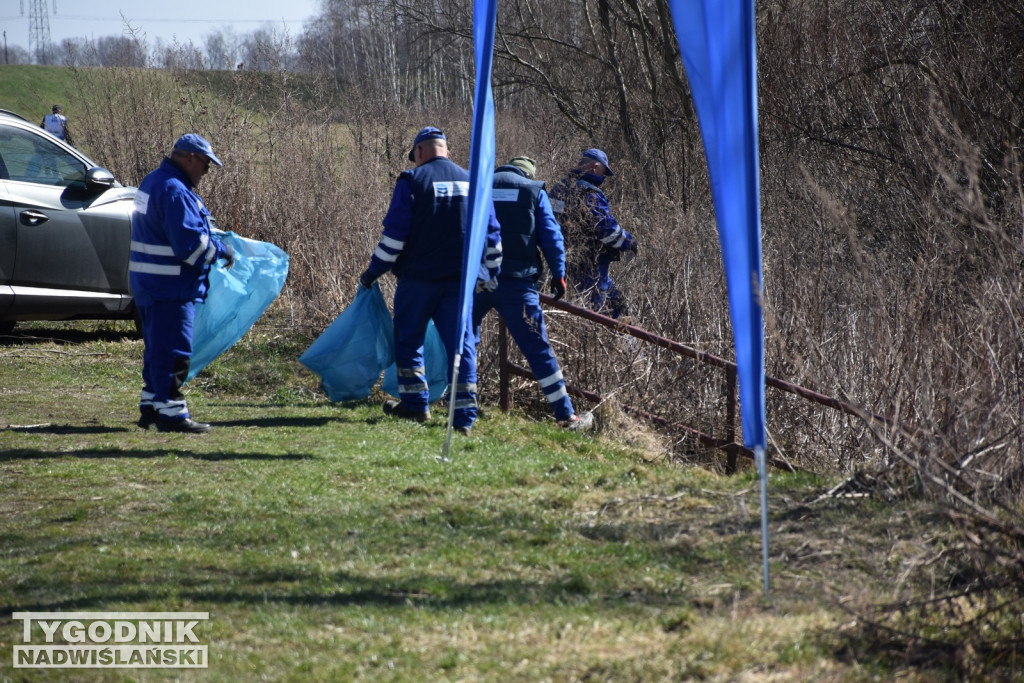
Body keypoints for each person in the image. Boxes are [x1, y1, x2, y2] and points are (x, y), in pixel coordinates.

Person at [359, 126, 502, 436]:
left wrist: (373, 272)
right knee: (461, 347)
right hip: (460, 284)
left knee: (410, 340)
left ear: (420, 152)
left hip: (418, 281)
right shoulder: (474, 182)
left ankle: (416, 405)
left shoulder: (412, 181)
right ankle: (463, 418)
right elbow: (492, 235)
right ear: (447, 150)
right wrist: (490, 274)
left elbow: (394, 238)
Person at [474, 156, 593, 431]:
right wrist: (558, 274)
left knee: (463, 339)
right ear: (527, 174)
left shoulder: (479, 186)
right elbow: (551, 236)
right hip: (518, 283)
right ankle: (565, 416)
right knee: (538, 349)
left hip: (477, 281)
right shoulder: (533, 191)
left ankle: (460, 402)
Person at [129, 134, 234, 433]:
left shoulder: (152, 181)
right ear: (190, 158)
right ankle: (172, 413)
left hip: (149, 284)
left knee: (156, 350)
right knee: (175, 351)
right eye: (205, 165)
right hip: (170, 287)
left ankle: (151, 405)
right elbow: (190, 246)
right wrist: (223, 250)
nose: (206, 172)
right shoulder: (175, 190)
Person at [549, 148, 637, 318]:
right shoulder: (590, 193)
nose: (604, 177)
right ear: (595, 167)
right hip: (591, 265)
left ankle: (629, 342)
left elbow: (550, 221)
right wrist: (629, 242)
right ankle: (621, 342)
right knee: (595, 314)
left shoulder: (559, 188)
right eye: (604, 171)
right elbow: (606, 229)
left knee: (618, 305)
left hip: (560, 262)